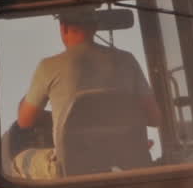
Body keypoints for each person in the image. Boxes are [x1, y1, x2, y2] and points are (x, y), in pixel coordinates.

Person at [12, 9, 161, 178]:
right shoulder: (128, 60)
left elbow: (24, 122)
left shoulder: (49, 67)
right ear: (95, 27)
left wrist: (30, 97)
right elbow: (155, 118)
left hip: (71, 167)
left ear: (63, 28)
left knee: (18, 160)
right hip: (127, 161)